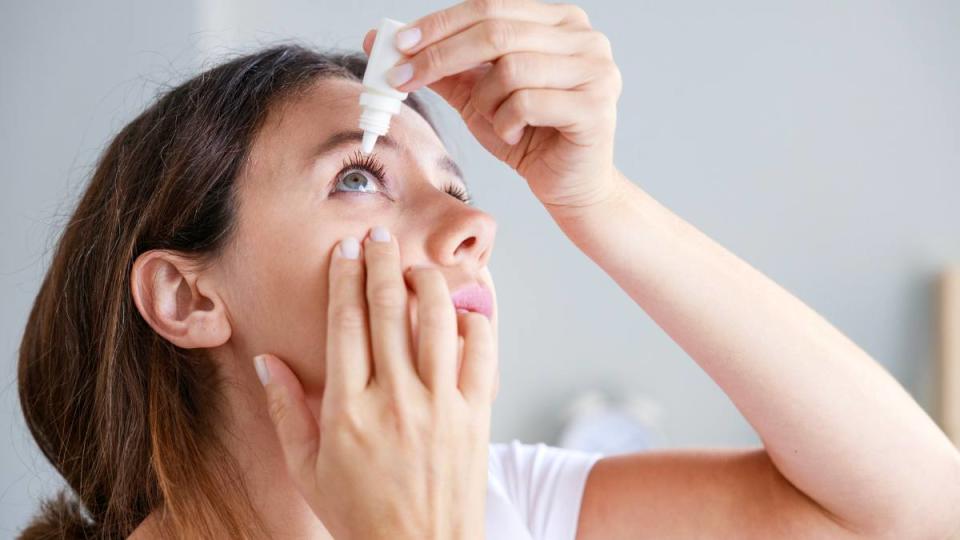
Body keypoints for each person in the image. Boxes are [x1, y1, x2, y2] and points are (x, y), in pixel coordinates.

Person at [17, 1, 960, 539]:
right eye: (358, 176)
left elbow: (917, 514)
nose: (474, 224)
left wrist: (599, 204)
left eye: (459, 183)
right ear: (187, 296)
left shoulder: (508, 504)